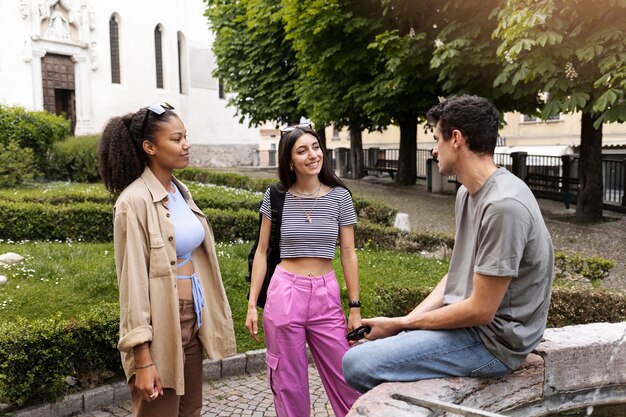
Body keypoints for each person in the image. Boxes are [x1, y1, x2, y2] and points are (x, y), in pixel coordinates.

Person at [342, 95, 555, 393]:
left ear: (456, 139)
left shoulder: (504, 205)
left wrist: (403, 326)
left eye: (435, 138)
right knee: (369, 352)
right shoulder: (468, 193)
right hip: (473, 330)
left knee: (357, 364)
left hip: (495, 344)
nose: (433, 149)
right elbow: (457, 276)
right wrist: (402, 321)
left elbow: (481, 310)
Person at [97, 102, 236, 417]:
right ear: (149, 147)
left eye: (185, 136)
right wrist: (143, 359)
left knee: (190, 412)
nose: (185, 144)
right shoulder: (133, 203)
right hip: (161, 324)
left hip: (192, 318)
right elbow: (131, 285)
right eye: (176, 138)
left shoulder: (179, 191)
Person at [246, 124, 362, 417]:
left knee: (346, 375)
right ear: (289, 160)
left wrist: (355, 308)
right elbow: (262, 252)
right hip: (285, 291)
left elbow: (348, 253)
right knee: (288, 383)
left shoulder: (340, 196)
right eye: (302, 150)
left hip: (326, 293)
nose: (313, 155)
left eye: (316, 147)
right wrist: (251, 304)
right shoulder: (275, 196)